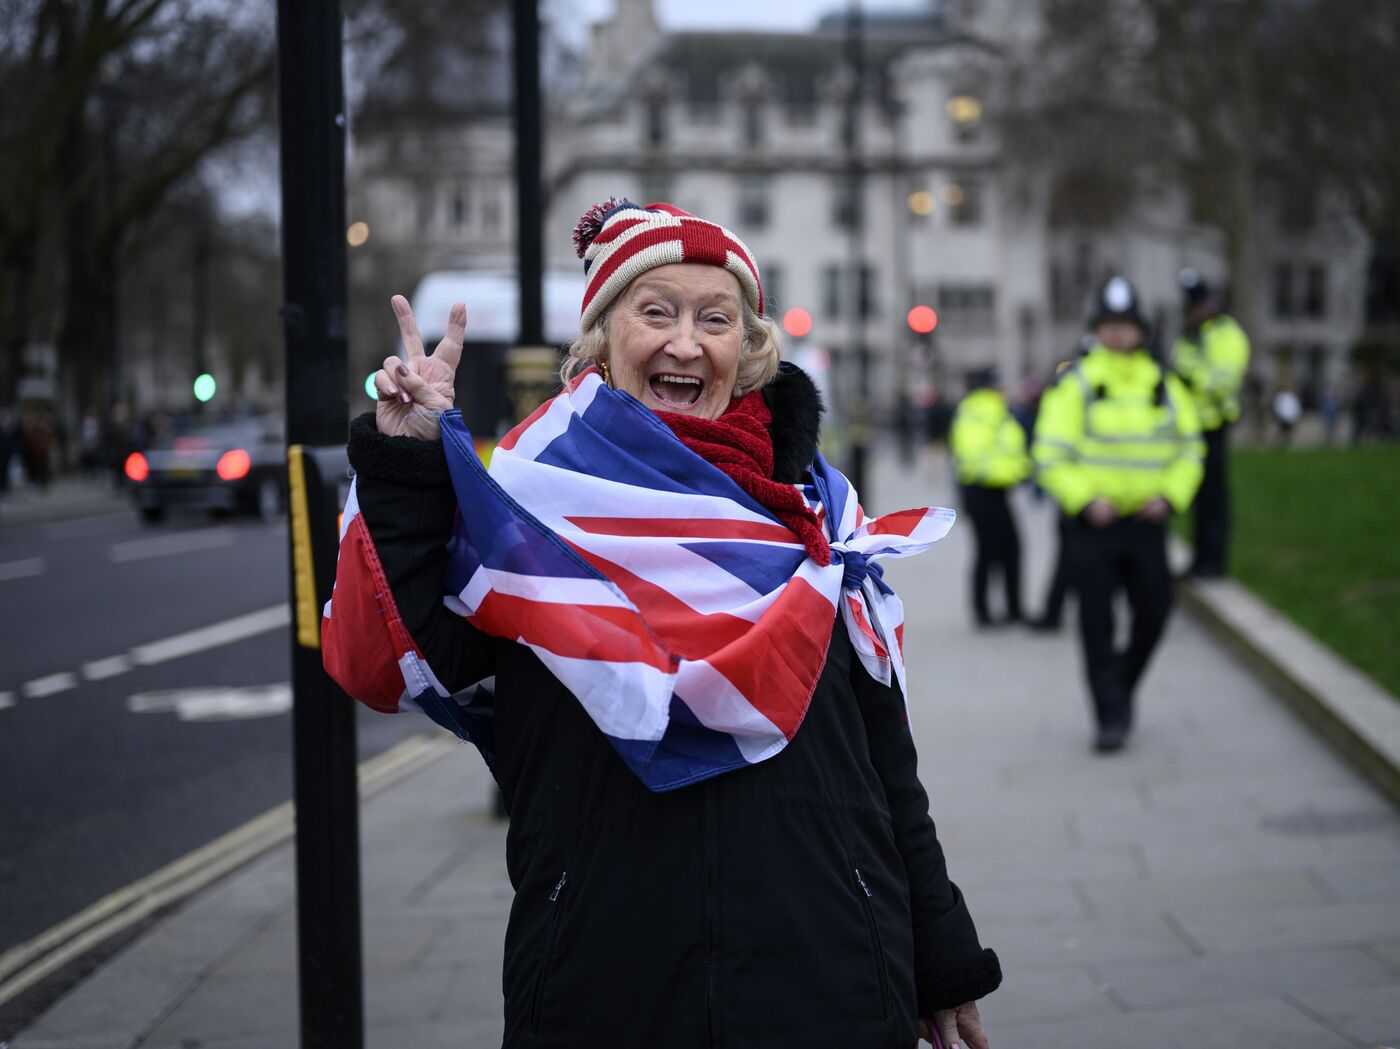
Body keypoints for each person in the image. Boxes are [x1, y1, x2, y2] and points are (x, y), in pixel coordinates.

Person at [323, 199, 1001, 1048]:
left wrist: (940, 954)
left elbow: (886, 765)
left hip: (827, 976)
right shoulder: (527, 505)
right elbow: (395, 653)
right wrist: (409, 462)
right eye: (657, 312)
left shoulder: (822, 518)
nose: (686, 342)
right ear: (603, 339)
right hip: (605, 981)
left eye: (715, 319)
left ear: (744, 351)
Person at [1033, 276, 1204, 752]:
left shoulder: (1165, 384)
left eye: (1126, 326)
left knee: (1156, 611)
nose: (1118, 334)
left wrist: (1170, 497)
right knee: (1096, 623)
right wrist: (1086, 499)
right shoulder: (1078, 382)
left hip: (1148, 524)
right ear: (1097, 329)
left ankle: (1118, 688)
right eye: (1109, 325)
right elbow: (1049, 452)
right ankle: (1110, 716)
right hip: (1094, 526)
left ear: (1141, 330)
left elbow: (1190, 450)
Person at [1171, 269, 1250, 578]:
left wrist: (1191, 376)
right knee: (1199, 497)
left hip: (1214, 426)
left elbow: (1222, 379)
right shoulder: (1192, 336)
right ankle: (1200, 558)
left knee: (1214, 497)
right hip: (1190, 427)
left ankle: (1215, 561)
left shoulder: (1226, 334)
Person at [949, 366, 1030, 626]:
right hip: (986, 488)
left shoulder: (977, 408)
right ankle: (996, 611)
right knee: (997, 551)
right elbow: (978, 452)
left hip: (987, 489)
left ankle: (996, 610)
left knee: (998, 551)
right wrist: (1014, 472)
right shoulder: (987, 408)